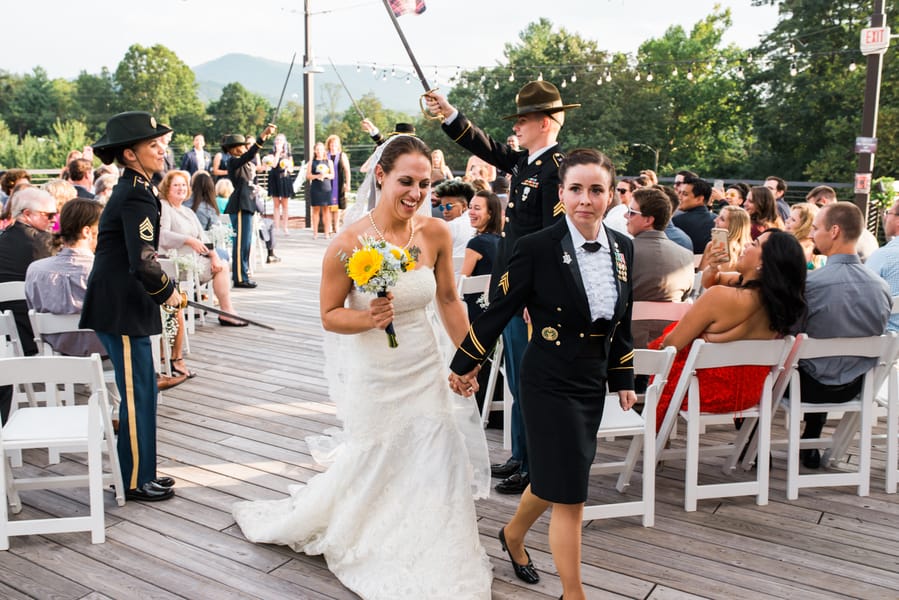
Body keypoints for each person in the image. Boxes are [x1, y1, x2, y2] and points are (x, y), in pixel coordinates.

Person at [232, 134, 492, 600]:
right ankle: (369, 535)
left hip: (424, 364)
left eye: (424, 183)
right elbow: (330, 315)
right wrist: (368, 317)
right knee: (379, 456)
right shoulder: (348, 243)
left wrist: (468, 358)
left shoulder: (433, 233)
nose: (416, 192)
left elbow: (450, 301)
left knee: (436, 453)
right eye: (406, 181)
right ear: (380, 176)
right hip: (376, 373)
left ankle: (435, 542)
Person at [450, 149, 635, 600]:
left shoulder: (623, 247)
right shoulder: (536, 247)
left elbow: (622, 322)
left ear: (611, 196)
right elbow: (498, 310)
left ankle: (513, 534)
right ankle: (575, 595)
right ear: (561, 193)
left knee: (558, 476)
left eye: (596, 190)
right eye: (576, 189)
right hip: (547, 379)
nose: (585, 200)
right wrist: (464, 363)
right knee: (571, 494)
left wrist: (623, 378)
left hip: (590, 380)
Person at [426, 80, 579, 495]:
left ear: (545, 123)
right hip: (513, 291)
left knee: (530, 379)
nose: (518, 129)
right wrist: (449, 113)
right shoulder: (529, 161)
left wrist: (540, 294)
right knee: (516, 378)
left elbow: (555, 237)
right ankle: (519, 453)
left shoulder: (559, 170)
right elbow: (488, 147)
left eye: (525, 121)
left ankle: (533, 465)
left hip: (532, 296)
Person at [81, 111, 184, 502]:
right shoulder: (136, 193)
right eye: (152, 145)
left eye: (162, 143)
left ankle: (143, 471)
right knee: (138, 391)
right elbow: (142, 261)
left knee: (143, 390)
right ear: (129, 155)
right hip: (120, 306)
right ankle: (133, 480)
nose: (162, 150)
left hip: (127, 304)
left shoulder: (139, 188)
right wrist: (168, 292)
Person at [651, 230, 807, 431]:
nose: (746, 245)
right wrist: (714, 267)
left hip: (699, 393)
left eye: (754, 243)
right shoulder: (776, 304)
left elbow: (671, 345)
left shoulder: (718, 298)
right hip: (747, 396)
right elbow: (712, 280)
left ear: (764, 262)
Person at [796, 201, 891, 468]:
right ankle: (811, 439)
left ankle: (754, 448)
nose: (812, 234)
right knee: (831, 354)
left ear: (834, 231)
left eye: (816, 228)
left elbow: (789, 335)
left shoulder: (811, 285)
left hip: (807, 388)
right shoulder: (880, 287)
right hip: (857, 387)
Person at [159, 169, 246, 330]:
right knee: (223, 268)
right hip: (176, 263)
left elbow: (204, 239)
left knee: (220, 264)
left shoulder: (188, 211)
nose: (181, 188)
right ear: (167, 188)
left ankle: (226, 311)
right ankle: (226, 312)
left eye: (184, 185)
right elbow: (162, 235)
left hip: (195, 260)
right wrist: (188, 240)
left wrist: (213, 255)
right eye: (176, 185)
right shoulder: (165, 207)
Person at [0, 187, 58, 423]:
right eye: (49, 215)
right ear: (27, 214)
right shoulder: (45, 243)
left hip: (5, 338)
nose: (54, 221)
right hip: (36, 335)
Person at [25, 198, 105, 358]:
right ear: (87, 231)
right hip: (105, 351)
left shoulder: (35, 270)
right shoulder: (105, 270)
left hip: (57, 352)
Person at [626, 187, 694, 348]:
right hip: (669, 348)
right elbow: (685, 298)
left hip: (624, 348)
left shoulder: (623, 252)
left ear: (648, 220)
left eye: (631, 212)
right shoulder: (686, 255)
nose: (626, 216)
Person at [223, 124, 276, 288]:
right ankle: (239, 277)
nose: (244, 148)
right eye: (241, 145)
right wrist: (263, 137)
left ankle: (243, 274)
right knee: (240, 242)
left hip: (247, 203)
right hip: (239, 204)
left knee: (246, 242)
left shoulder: (242, 163)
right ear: (234, 148)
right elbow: (251, 154)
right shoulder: (233, 161)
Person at [459, 190, 503, 320]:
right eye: (470, 207)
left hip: (475, 313)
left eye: (477, 208)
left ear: (490, 213)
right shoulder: (502, 241)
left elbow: (462, 284)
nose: (471, 212)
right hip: (497, 310)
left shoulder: (476, 244)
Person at [698, 205, 752, 287]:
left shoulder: (713, 246)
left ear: (734, 227)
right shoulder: (750, 249)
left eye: (722, 219)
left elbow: (700, 278)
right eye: (718, 217)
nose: (715, 220)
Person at [867, 198, 899, 332]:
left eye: (888, 213)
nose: (885, 217)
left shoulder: (884, 256)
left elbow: (862, 299)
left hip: (887, 345)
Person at [671, 174, 715, 250]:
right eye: (679, 193)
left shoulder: (677, 221)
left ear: (699, 199)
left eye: (685, 194)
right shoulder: (716, 219)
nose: (679, 197)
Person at [433, 178, 475, 256]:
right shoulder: (478, 222)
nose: (445, 211)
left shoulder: (452, 226)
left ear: (464, 206)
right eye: (442, 207)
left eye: (449, 206)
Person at [265, 133, 294, 236]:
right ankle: (276, 227)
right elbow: (273, 164)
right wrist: (277, 152)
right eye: (277, 140)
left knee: (285, 205)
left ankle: (285, 227)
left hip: (284, 178)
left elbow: (291, 168)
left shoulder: (288, 154)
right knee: (276, 204)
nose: (278, 142)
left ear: (284, 142)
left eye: (281, 140)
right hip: (274, 178)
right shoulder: (271, 153)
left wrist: (287, 168)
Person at [306, 141, 334, 240]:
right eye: (317, 149)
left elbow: (332, 175)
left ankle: (326, 233)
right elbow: (308, 176)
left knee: (326, 210)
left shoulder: (329, 162)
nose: (319, 151)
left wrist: (325, 175)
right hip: (315, 188)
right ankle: (315, 233)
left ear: (324, 151)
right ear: (314, 151)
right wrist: (317, 176)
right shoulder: (311, 162)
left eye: (321, 149)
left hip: (326, 188)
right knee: (315, 210)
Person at [784, 202, 825, 269]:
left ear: (805, 226)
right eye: (789, 217)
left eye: (793, 220)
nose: (786, 221)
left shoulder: (794, 249)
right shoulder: (820, 248)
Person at [326, 134, 351, 235]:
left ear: (338, 145)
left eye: (335, 144)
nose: (333, 146)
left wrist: (348, 184)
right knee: (327, 206)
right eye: (331, 144)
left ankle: (336, 226)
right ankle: (329, 226)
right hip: (327, 183)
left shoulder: (342, 155)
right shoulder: (325, 155)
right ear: (328, 145)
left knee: (337, 206)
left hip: (339, 183)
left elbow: (347, 171)